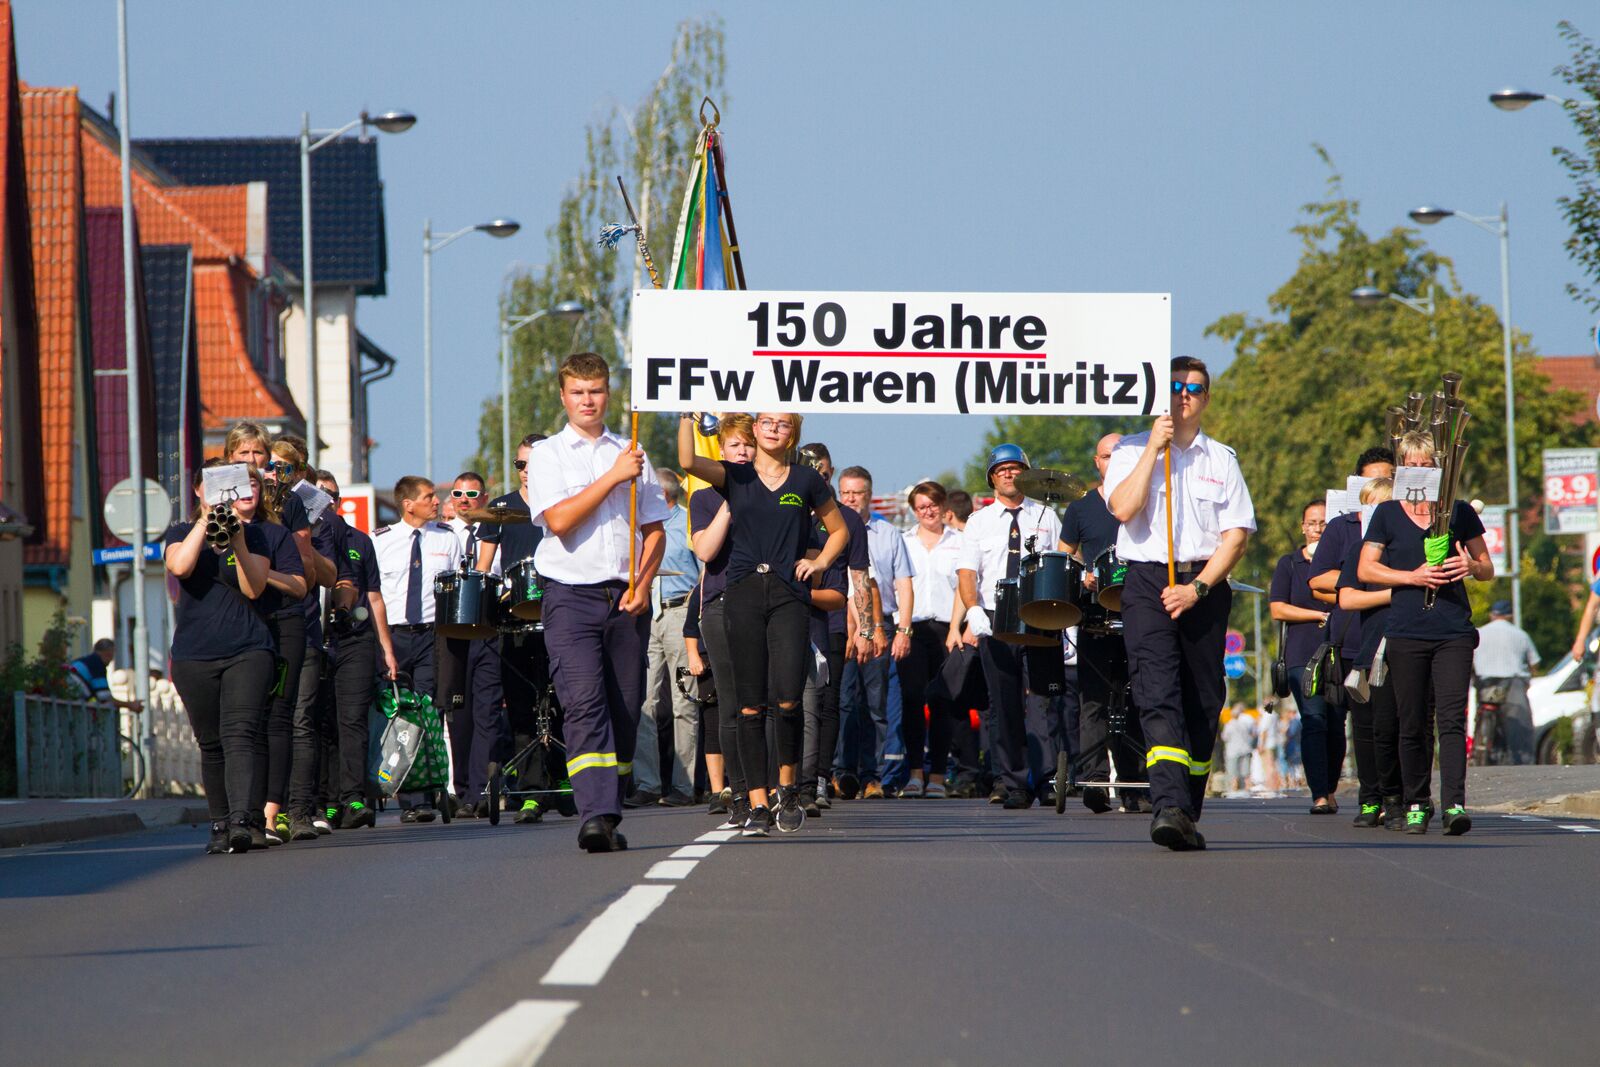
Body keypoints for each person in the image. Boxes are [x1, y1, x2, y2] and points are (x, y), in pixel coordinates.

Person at [1104, 356, 1255, 851]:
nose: (1184, 394)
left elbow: (1235, 537)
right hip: (1147, 582)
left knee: (1204, 698)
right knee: (1156, 688)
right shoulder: (1130, 450)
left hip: (1203, 584)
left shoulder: (1221, 459)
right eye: (1175, 386)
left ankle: (1186, 807)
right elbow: (1124, 510)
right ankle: (1166, 805)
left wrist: (1198, 589)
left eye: (1194, 388)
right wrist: (1153, 446)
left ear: (1206, 398)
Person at [678, 410, 849, 837]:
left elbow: (839, 530)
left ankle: (787, 789)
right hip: (742, 597)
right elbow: (686, 461)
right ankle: (756, 802)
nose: (774, 429)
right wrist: (685, 415)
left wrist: (820, 560)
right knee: (749, 705)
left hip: (790, 596)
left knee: (789, 699)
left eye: (783, 424)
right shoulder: (734, 476)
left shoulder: (807, 480)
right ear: (755, 430)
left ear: (793, 432)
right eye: (767, 423)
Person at [531, 353, 669, 853]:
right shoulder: (549, 453)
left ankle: (612, 803)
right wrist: (613, 477)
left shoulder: (633, 451)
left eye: (596, 391)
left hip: (626, 598)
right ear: (563, 396)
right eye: (578, 392)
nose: (588, 401)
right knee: (584, 704)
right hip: (571, 596)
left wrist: (646, 581)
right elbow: (561, 521)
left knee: (626, 710)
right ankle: (595, 814)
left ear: (608, 393)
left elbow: (655, 531)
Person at [1358, 430, 1493, 835]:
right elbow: (1366, 569)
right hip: (1406, 630)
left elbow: (1487, 567)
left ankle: (1454, 802)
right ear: (1400, 469)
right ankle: (1418, 801)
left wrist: (1470, 566)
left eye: (1426, 464)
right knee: (1412, 720)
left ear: (1438, 468)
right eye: (1411, 464)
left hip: (1452, 629)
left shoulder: (1459, 511)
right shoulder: (1387, 514)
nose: (1418, 470)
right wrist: (1410, 577)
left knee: (1452, 719)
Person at [165, 462, 298, 854]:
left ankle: (244, 819)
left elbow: (255, 588)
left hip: (247, 648)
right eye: (214, 487)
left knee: (241, 733)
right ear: (198, 492)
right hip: (194, 653)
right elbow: (179, 566)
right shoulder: (179, 532)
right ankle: (220, 823)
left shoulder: (256, 535)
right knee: (211, 742)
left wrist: (238, 540)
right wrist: (205, 523)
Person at [954, 442, 1065, 809]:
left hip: (1040, 613)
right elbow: (968, 574)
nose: (1008, 474)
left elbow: (1065, 560)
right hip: (996, 616)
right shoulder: (978, 521)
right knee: (1003, 703)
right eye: (1001, 470)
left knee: (1044, 702)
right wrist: (973, 611)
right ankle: (1013, 781)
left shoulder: (1046, 515)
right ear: (991, 479)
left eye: (1016, 468)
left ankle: (1047, 778)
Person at [1062, 431, 1149, 814]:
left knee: (1138, 699)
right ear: (1096, 463)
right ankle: (1095, 781)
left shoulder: (1146, 500)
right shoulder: (1080, 508)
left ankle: (1136, 785)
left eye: (1119, 455)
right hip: (1096, 616)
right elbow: (1066, 556)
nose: (1112, 462)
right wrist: (1082, 575)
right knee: (1093, 701)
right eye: (1106, 457)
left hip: (1139, 613)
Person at [476, 434, 561, 825]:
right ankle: (529, 792)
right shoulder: (502, 509)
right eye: (520, 465)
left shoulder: (564, 503)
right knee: (524, 708)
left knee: (564, 703)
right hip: (518, 621)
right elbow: (484, 567)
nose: (526, 472)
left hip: (561, 613)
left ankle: (564, 781)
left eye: (533, 465)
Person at [1306, 448, 1396, 815]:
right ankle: (1371, 794)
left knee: (1398, 718)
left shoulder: (1408, 523)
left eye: (1388, 480)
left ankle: (1401, 793)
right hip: (1353, 638)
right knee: (1364, 723)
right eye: (1371, 481)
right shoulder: (1343, 528)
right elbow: (1319, 578)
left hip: (1397, 634)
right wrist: (1365, 582)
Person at [373, 475, 464, 822]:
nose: (437, 501)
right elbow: (375, 594)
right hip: (393, 635)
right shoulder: (380, 541)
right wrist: (384, 647)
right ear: (408, 504)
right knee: (399, 716)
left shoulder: (447, 538)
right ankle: (404, 793)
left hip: (431, 636)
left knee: (426, 712)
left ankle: (424, 797)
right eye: (429, 497)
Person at [689, 415, 761, 826]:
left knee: (764, 700)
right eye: (734, 446)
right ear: (722, 451)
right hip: (720, 604)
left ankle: (764, 788)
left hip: (762, 600)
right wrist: (733, 502)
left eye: (748, 446)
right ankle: (738, 789)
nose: (743, 452)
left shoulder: (772, 489)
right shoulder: (705, 499)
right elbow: (706, 552)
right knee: (731, 704)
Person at [793, 441, 871, 814]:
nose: (818, 480)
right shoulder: (789, 510)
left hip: (833, 619)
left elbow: (859, 577)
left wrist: (868, 629)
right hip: (785, 617)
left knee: (827, 700)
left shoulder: (849, 520)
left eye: (824, 474)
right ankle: (789, 776)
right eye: (813, 474)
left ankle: (820, 776)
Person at [837, 465, 916, 798]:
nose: (852, 498)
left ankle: (872, 776)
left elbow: (903, 585)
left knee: (876, 706)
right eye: (846, 493)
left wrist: (903, 630)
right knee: (842, 704)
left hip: (880, 627)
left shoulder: (887, 533)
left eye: (858, 492)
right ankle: (841, 773)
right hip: (839, 624)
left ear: (870, 495)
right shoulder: (830, 529)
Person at [630, 469, 703, 807]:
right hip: (647, 614)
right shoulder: (638, 525)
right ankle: (647, 783)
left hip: (678, 612)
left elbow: (704, 572)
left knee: (683, 700)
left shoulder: (687, 523)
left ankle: (685, 784)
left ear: (663, 494)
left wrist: (694, 613)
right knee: (645, 702)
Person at [1336, 476, 1405, 829]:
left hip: (1409, 646)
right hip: (1370, 650)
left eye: (1378, 505)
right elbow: (1346, 598)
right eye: (1367, 505)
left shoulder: (1410, 547)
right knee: (1370, 729)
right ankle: (1371, 799)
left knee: (1403, 727)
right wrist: (1395, 593)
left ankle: (1402, 798)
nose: (1371, 513)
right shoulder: (1358, 551)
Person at [1270, 500, 1337, 813]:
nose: (1318, 528)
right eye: (1312, 522)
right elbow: (1277, 608)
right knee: (1314, 720)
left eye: (1324, 522)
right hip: (1301, 655)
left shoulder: (1341, 560)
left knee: (1337, 722)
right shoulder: (1290, 563)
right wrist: (1316, 616)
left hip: (1338, 650)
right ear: (1302, 527)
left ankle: (1331, 786)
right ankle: (1319, 794)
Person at [900, 480, 964, 798]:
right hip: (911, 630)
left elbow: (966, 588)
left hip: (946, 629)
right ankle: (914, 773)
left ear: (943, 506)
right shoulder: (904, 541)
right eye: (921, 506)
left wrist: (958, 628)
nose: (928, 511)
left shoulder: (959, 541)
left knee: (942, 702)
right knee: (912, 700)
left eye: (933, 504)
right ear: (914, 511)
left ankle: (937, 775)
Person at [438, 470, 493, 816]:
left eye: (472, 495)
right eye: (457, 494)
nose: (464, 501)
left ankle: (481, 789)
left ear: (484, 499)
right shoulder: (443, 536)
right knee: (458, 713)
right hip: (454, 631)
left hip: (487, 628)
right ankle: (460, 790)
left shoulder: (492, 531)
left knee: (486, 709)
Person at [1474, 599, 1539, 766]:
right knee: (1519, 728)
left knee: (1480, 712)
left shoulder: (1478, 633)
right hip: (1512, 683)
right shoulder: (1521, 634)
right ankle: (1522, 763)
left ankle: (1478, 749)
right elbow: (1534, 663)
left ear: (1492, 615)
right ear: (1510, 615)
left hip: (1485, 683)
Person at [66, 639, 144, 713]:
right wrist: (130, 705)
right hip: (72, 707)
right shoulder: (97, 664)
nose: (112, 659)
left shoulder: (86, 661)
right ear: (107, 653)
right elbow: (104, 697)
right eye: (112, 654)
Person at [1220, 706, 1256, 794]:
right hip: (1245, 749)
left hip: (1233, 751)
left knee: (1233, 774)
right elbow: (1251, 734)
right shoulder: (1244, 724)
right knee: (1246, 774)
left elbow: (1224, 737)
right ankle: (1248, 790)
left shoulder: (1229, 725)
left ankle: (1234, 791)